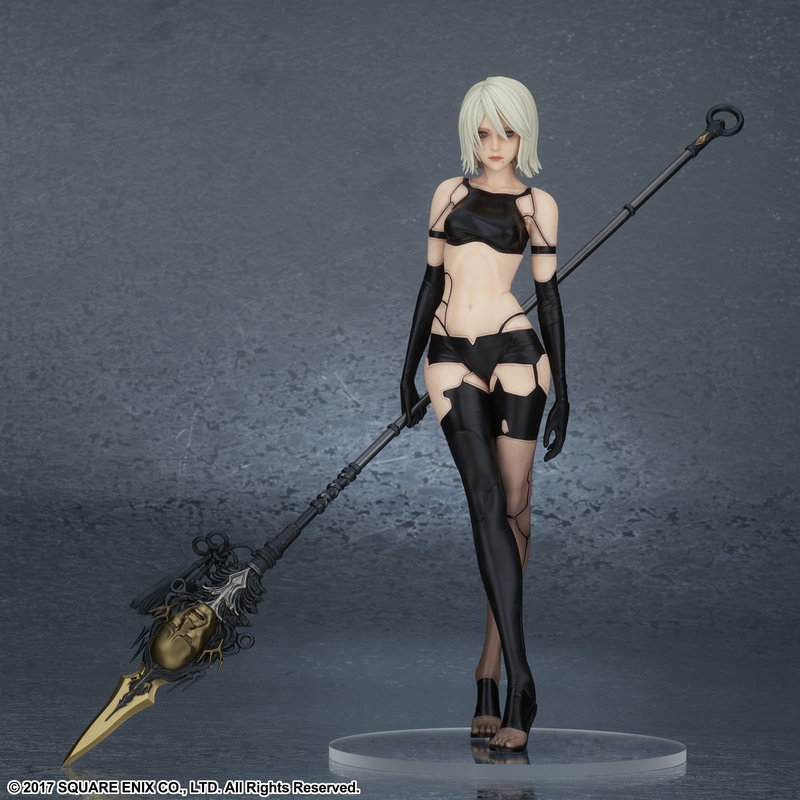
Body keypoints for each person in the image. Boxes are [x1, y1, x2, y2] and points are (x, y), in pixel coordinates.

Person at [400, 76, 568, 752]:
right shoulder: (448, 192)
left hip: (516, 350)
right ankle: (524, 681)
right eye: (484, 132)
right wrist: (403, 370)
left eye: (508, 131)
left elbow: (548, 299)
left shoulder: (536, 204)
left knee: (514, 508)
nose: (495, 145)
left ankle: (490, 669)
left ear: (525, 134)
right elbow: (429, 281)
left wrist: (566, 392)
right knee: (486, 500)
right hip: (447, 351)